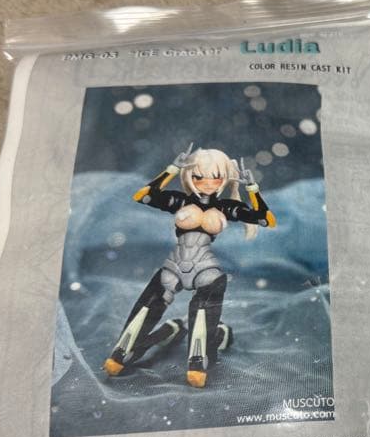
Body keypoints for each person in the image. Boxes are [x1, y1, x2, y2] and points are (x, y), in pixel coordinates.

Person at [103, 145, 275, 388]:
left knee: (205, 308)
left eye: (216, 177)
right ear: (190, 176)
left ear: (225, 178)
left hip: (205, 268)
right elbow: (144, 195)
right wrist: (172, 169)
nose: (208, 183)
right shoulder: (181, 200)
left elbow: (265, 219)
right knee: (148, 304)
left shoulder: (225, 207)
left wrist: (252, 188)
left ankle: (202, 355)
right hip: (174, 264)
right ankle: (126, 350)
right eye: (199, 176)